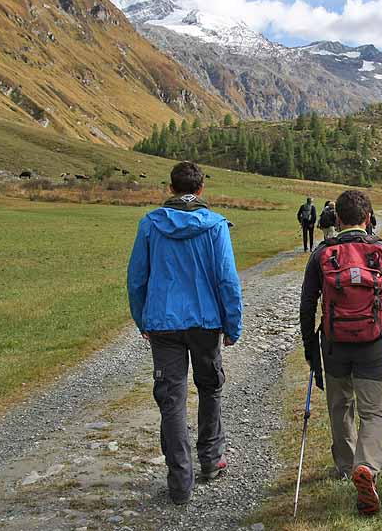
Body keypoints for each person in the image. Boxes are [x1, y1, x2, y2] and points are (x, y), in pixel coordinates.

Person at [127, 161, 242, 506]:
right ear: (201, 188)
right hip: (206, 324)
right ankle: (211, 458)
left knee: (171, 401)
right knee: (210, 388)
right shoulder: (216, 225)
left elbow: (137, 278)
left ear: (171, 188)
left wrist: (142, 319)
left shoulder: (150, 224)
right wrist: (232, 324)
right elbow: (227, 280)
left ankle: (180, 482)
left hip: (163, 323)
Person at [300, 190, 382, 517]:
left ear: (338, 219)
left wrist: (310, 350)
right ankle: (367, 466)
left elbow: (306, 307)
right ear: (368, 217)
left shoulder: (322, 254)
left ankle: (347, 466)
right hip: (372, 343)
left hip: (334, 345)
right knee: (372, 412)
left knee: (340, 405)